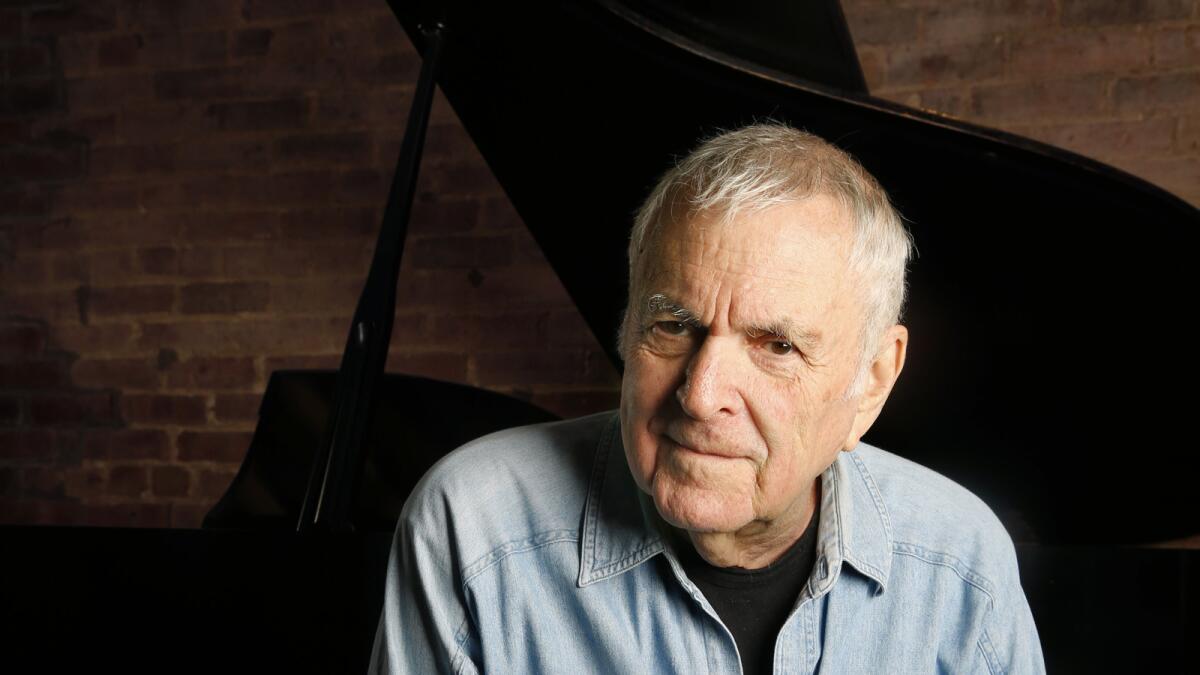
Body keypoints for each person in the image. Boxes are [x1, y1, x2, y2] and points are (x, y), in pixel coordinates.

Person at [369, 124, 1045, 674]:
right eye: (673, 325)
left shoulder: (962, 566)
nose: (701, 394)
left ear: (872, 378)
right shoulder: (474, 530)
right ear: (628, 328)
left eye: (776, 345)